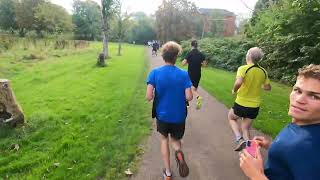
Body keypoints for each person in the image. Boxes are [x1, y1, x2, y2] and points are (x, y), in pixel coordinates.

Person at [239, 64, 320, 180]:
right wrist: (272, 146)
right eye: (297, 90)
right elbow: (296, 157)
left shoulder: (311, 146)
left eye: (314, 97)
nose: (299, 100)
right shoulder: (304, 123)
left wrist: (256, 175)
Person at [146, 41, 193, 180]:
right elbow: (189, 97)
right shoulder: (183, 74)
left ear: (163, 56)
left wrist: (156, 92)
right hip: (179, 116)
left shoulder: (155, 73)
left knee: (163, 140)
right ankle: (178, 152)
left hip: (162, 116)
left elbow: (148, 97)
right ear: (176, 57)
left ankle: (167, 173)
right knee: (175, 140)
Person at [228, 47, 271, 151]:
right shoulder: (263, 71)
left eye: (247, 53)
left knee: (231, 117)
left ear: (249, 56)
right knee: (245, 128)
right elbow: (268, 87)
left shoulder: (243, 68)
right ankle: (251, 152)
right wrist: (258, 84)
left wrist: (234, 90)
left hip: (241, 103)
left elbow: (238, 82)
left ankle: (239, 139)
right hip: (254, 106)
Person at [182, 40, 206, 109]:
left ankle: (198, 97)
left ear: (191, 45)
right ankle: (188, 103)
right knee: (193, 88)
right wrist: (199, 62)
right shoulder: (201, 54)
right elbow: (204, 65)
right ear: (197, 46)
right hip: (198, 74)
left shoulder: (190, 53)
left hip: (190, 74)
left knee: (189, 89)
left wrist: (188, 61)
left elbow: (183, 63)